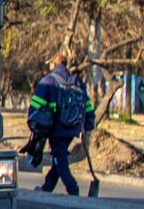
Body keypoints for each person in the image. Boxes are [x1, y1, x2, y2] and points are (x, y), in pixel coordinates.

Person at [27, 52, 95, 195]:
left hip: (56, 128)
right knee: (59, 156)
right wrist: (88, 125)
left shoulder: (48, 81)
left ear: (54, 64)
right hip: (73, 127)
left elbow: (35, 105)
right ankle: (47, 188)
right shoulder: (76, 81)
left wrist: (34, 125)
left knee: (59, 159)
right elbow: (87, 105)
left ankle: (73, 189)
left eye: (50, 64)